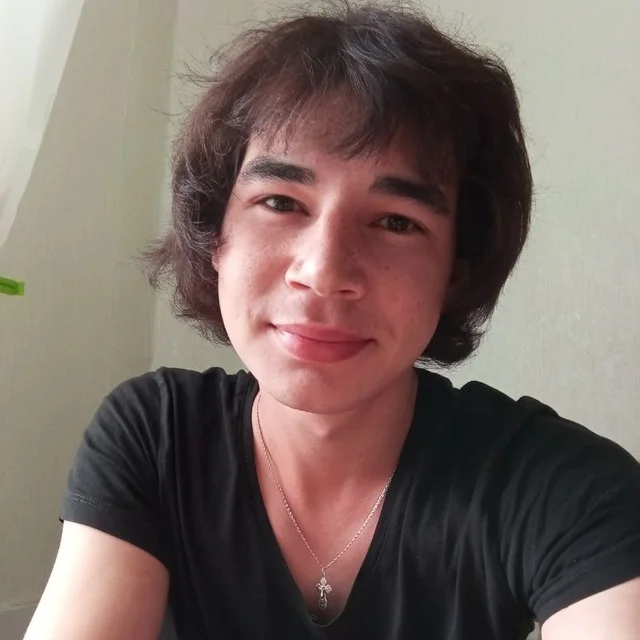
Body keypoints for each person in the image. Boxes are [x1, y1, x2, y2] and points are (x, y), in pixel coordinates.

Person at [25, 2, 640, 639]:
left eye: (396, 221)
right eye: (280, 201)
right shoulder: (157, 436)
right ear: (215, 237)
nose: (322, 271)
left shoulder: (563, 487)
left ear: (455, 268)